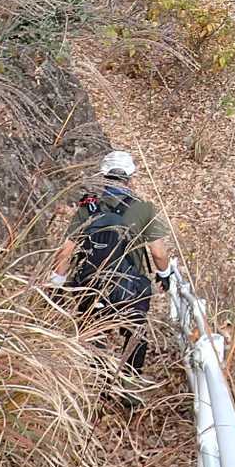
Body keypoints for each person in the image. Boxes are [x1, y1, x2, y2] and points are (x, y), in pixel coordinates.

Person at [48, 150, 176, 373]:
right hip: (130, 286)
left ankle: (100, 380)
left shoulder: (88, 207)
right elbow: (158, 253)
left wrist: (55, 285)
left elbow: (66, 251)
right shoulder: (143, 209)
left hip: (90, 284)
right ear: (130, 178)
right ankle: (129, 380)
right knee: (135, 332)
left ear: (103, 176)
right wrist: (164, 275)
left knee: (92, 330)